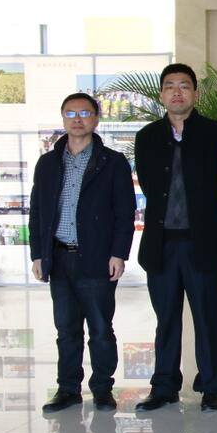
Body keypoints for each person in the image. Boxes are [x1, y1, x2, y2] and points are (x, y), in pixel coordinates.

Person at [133, 63, 217, 412]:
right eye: (170, 86)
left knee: (207, 319)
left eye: (184, 86)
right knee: (166, 320)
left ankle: (210, 385)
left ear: (196, 93)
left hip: (203, 243)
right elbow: (150, 185)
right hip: (161, 244)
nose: (177, 92)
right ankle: (164, 386)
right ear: (161, 94)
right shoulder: (147, 136)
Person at [30, 92, 135, 414]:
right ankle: (68, 390)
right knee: (66, 329)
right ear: (63, 119)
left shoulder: (112, 162)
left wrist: (118, 253)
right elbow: (37, 212)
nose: (77, 119)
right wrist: (38, 254)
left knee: (101, 329)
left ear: (96, 119)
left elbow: (125, 212)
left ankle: (102, 389)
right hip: (59, 258)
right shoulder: (48, 163)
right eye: (71, 113)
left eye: (85, 113)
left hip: (97, 258)